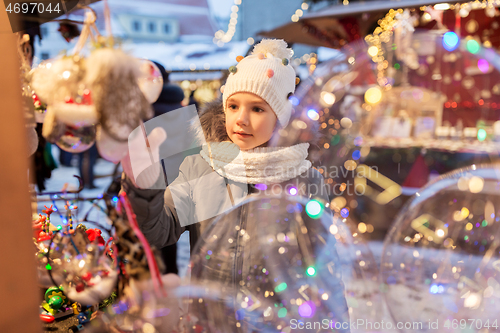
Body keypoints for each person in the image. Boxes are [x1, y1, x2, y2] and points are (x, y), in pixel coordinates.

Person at [121, 39, 348, 329]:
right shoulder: (202, 166)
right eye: (233, 106)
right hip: (210, 319)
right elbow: (157, 231)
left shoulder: (304, 179)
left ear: (280, 118)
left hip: (275, 322)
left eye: (257, 109)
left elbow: (324, 266)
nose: (241, 119)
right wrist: (144, 187)